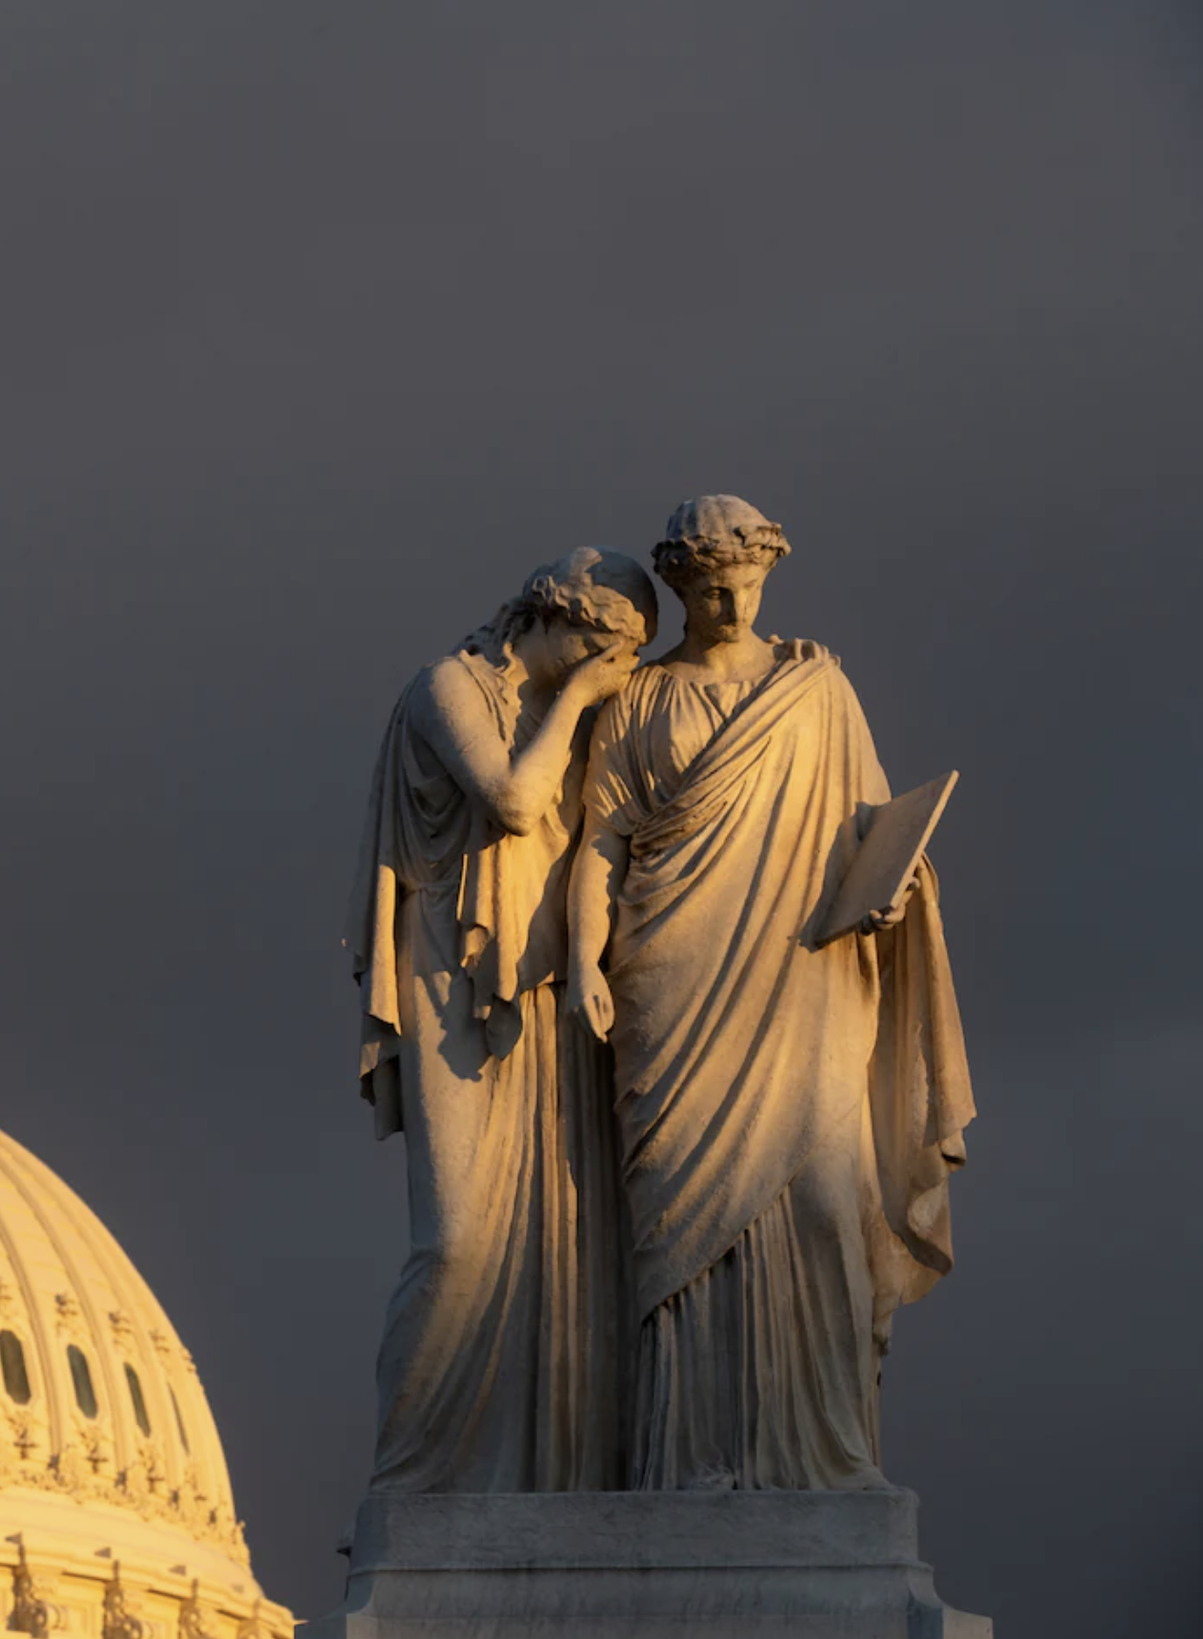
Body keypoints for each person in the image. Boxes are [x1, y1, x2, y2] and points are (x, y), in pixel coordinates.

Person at [568, 496, 975, 1492]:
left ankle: (825, 1462)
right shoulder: (636, 703)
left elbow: (871, 825)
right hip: (671, 983)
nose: (726, 603)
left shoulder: (818, 690)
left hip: (806, 980)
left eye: (741, 585)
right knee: (676, 1232)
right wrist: (581, 959)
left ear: (766, 576)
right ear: (675, 589)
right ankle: (685, 1463)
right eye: (706, 589)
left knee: (820, 1206)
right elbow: (599, 847)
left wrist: (898, 889)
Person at [345, 547, 657, 1492]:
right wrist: (576, 701)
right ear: (549, 618)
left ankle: (540, 1480)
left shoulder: (584, 710)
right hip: (453, 976)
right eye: (600, 649)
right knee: (457, 1242)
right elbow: (514, 803)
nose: (611, 675)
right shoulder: (449, 686)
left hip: (545, 989)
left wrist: (790, 662)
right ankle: (408, 1482)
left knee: (561, 1253)